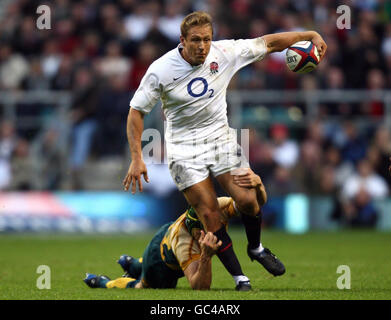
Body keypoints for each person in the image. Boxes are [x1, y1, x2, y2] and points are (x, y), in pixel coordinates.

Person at [123, 11, 327, 290]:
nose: (202, 46)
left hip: (220, 140)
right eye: (195, 40)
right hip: (184, 150)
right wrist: (137, 158)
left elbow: (268, 43)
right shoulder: (161, 69)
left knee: (248, 200)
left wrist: (308, 35)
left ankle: (256, 248)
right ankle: (239, 278)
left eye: (207, 39)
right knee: (209, 214)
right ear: (182, 40)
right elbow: (136, 112)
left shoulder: (224, 52)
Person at [85, 169, 272, 290]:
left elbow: (251, 207)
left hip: (166, 233)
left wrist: (259, 185)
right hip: (161, 262)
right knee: (141, 286)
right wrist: (206, 256)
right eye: (203, 230)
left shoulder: (215, 208)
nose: (209, 229)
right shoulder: (187, 244)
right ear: (197, 233)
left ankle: (132, 263)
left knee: (140, 266)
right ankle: (103, 282)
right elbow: (200, 287)